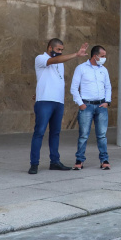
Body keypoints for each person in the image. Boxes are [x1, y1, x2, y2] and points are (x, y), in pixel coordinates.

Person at [29, 38, 88, 174]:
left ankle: (55, 162)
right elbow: (53, 61)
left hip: (58, 102)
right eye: (58, 49)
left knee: (55, 133)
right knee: (39, 132)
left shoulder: (60, 63)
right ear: (50, 48)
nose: (60, 52)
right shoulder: (40, 58)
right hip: (44, 101)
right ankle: (34, 164)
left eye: (62, 50)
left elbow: (50, 79)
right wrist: (76, 54)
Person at [71, 45, 112, 170]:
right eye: (102, 56)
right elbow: (74, 88)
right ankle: (79, 160)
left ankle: (104, 160)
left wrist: (107, 102)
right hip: (86, 105)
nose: (104, 58)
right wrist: (81, 104)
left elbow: (108, 87)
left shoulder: (104, 70)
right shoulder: (81, 68)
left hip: (101, 106)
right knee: (83, 135)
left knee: (102, 135)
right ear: (95, 56)